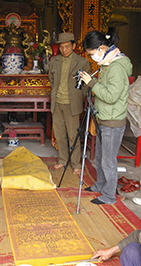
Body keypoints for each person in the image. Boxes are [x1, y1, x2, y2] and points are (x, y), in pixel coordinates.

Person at [80, 31, 132, 204]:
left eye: (92, 53)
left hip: (112, 121)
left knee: (109, 160)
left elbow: (111, 97)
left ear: (102, 48)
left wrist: (92, 83)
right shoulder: (106, 64)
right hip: (103, 118)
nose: (93, 57)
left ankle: (110, 195)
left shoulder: (116, 67)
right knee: (101, 156)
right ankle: (100, 184)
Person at [49, 32, 90, 175]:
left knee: (73, 135)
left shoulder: (82, 62)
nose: (64, 50)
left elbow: (85, 85)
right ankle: (62, 160)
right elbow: (52, 80)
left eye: (67, 46)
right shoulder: (54, 61)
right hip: (57, 103)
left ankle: (76, 163)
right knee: (60, 135)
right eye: (61, 47)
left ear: (73, 46)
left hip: (72, 104)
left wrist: (78, 96)